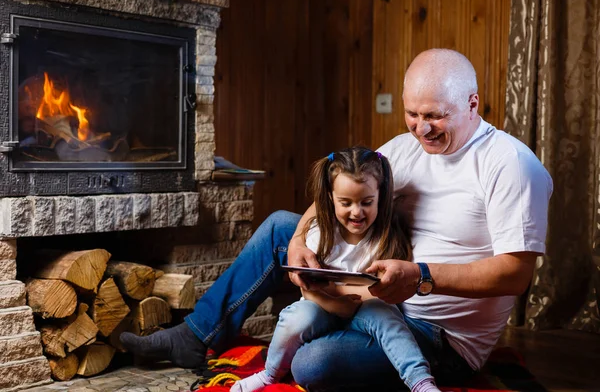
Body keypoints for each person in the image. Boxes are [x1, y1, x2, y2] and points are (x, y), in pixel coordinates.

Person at [120, 48, 553, 391]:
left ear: (473, 103)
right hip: (374, 290)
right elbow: (339, 188)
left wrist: (421, 276)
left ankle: (332, 347)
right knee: (279, 226)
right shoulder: (402, 148)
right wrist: (300, 241)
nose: (421, 129)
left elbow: (516, 275)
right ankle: (193, 337)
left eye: (435, 116)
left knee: (314, 365)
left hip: (440, 335)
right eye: (413, 114)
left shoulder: (510, 164)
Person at [231, 146, 440, 392]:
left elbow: (385, 289)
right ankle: (269, 373)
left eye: (367, 202)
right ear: (330, 198)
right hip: (321, 306)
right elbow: (308, 288)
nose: (356, 211)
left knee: (388, 319)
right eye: (345, 202)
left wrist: (350, 301)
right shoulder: (319, 232)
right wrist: (336, 304)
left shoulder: (387, 236)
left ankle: (420, 381)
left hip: (368, 309)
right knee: (296, 317)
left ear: (380, 197)